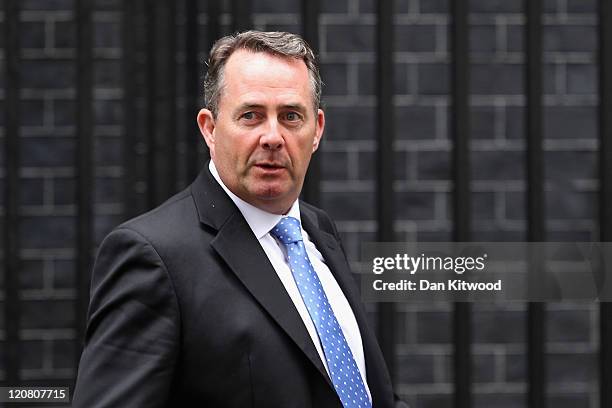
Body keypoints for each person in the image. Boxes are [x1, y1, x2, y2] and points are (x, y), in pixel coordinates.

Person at [73, 30, 407, 408]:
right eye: (251, 115)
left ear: (317, 130)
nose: (272, 137)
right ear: (210, 129)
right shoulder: (154, 256)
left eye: (291, 116)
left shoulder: (317, 231)